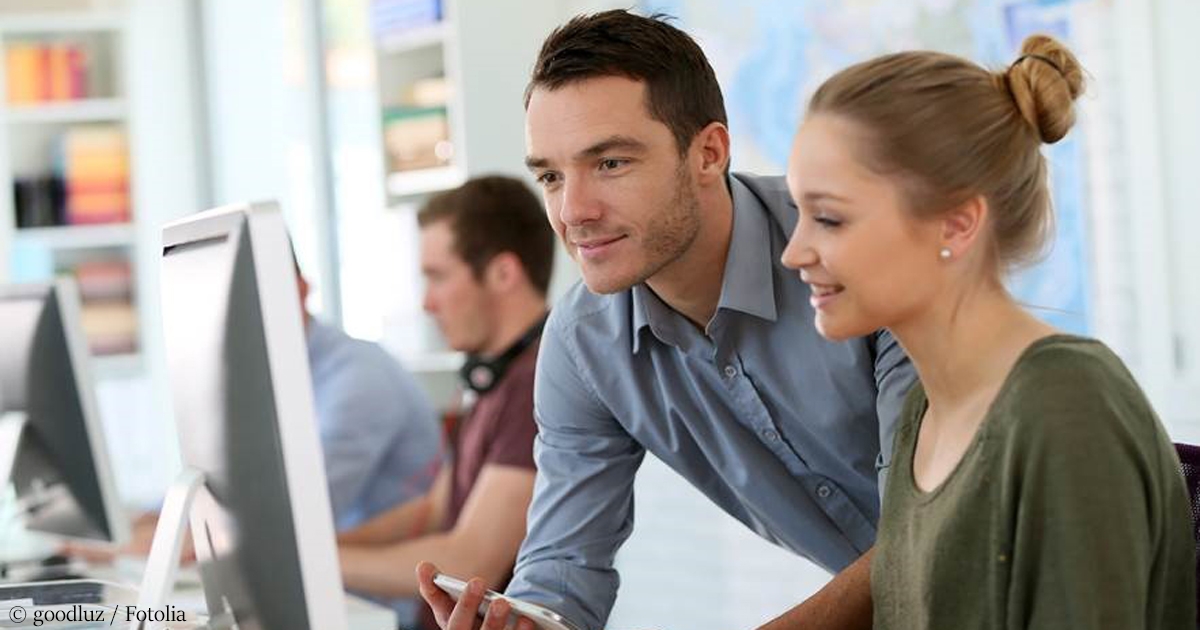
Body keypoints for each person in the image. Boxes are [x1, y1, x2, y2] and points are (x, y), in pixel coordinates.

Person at [416, 10, 916, 630]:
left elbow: (931, 521)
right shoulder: (582, 344)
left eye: (610, 163)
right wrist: (527, 622)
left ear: (709, 153)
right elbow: (565, 567)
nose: (572, 212)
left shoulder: (854, 247)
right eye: (550, 175)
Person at [780, 34, 1195, 628]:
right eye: (799, 213)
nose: (794, 252)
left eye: (828, 218)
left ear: (957, 223)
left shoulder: (1066, 405)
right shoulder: (925, 412)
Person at [338, 176, 554, 630]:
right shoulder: (493, 376)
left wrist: (318, 564)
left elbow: (469, 563)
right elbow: (434, 508)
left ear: (503, 274)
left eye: (437, 276)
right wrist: (327, 545)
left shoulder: (539, 384)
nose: (427, 303)